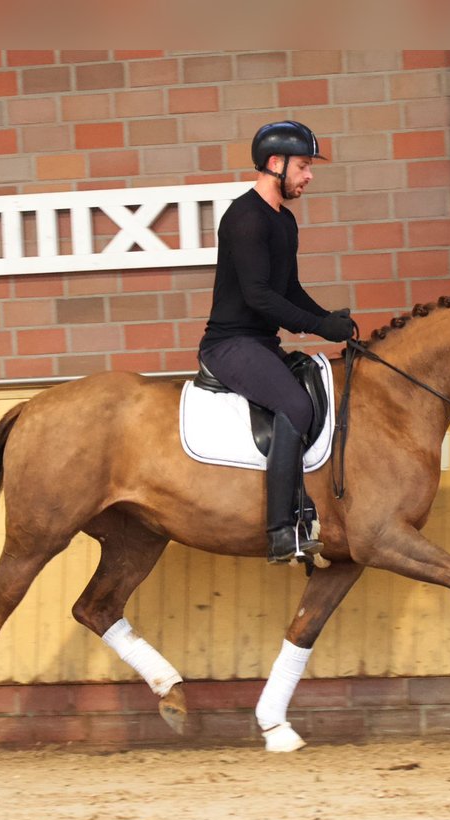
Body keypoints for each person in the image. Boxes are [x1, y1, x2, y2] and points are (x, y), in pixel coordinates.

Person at [198, 121, 353, 563]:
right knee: (297, 406)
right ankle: (282, 529)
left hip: (261, 344)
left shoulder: (284, 221)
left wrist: (328, 318)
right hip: (229, 345)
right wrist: (319, 329)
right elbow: (259, 297)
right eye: (303, 166)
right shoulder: (245, 217)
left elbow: (289, 289)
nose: (309, 176)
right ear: (275, 163)